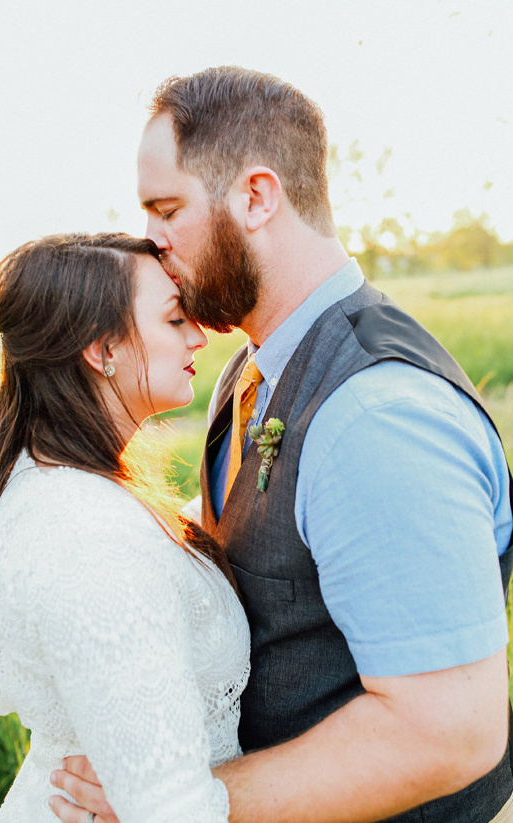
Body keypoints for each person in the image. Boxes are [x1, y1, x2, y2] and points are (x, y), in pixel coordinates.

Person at [50, 67, 513, 822]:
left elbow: (450, 734)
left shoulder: (376, 416)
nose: (151, 241)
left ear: (258, 197)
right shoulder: (252, 365)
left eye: (167, 209)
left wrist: (176, 801)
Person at [0, 232, 251, 821]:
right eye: (176, 320)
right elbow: (171, 809)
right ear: (102, 350)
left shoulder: (73, 484)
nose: (200, 336)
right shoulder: (85, 538)